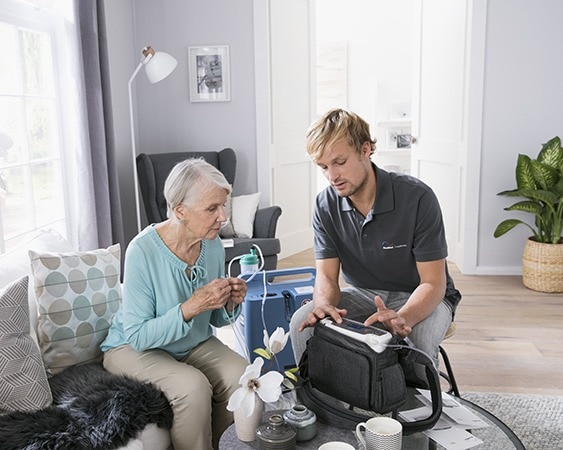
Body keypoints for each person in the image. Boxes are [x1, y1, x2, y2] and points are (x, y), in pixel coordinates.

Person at [289, 109, 461, 371]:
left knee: (419, 340)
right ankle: (320, 403)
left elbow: (433, 282)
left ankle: (422, 408)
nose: (332, 176)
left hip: (421, 293)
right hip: (366, 293)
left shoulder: (417, 198)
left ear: (365, 150)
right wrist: (323, 306)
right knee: (303, 323)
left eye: (340, 162)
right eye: (323, 167)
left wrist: (403, 317)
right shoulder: (325, 205)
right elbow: (326, 276)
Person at [101, 158, 248, 450]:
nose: (223, 218)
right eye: (212, 208)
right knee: (191, 386)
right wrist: (191, 307)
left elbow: (216, 320)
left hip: (191, 342)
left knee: (241, 374)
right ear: (180, 210)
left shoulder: (213, 244)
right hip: (132, 347)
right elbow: (139, 335)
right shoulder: (142, 250)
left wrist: (230, 302)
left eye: (223, 206)